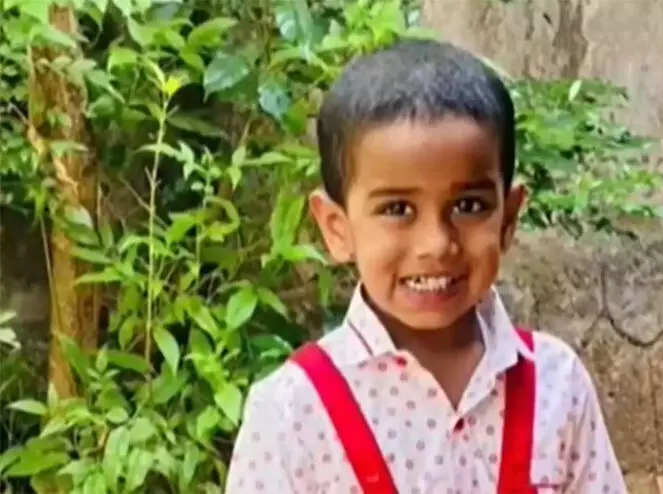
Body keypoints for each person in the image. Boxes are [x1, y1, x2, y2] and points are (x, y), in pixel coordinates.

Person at [226, 39, 626, 494]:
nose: (436, 244)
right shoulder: (291, 415)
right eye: (397, 209)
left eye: (469, 206)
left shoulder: (557, 385)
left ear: (508, 217)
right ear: (338, 228)